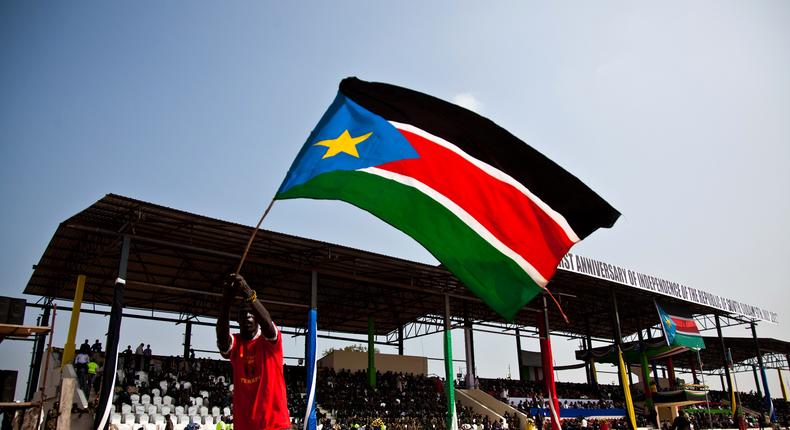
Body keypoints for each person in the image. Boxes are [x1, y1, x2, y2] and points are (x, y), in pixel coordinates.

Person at [215, 273, 290, 430]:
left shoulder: (270, 342)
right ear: (237, 320)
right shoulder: (236, 345)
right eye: (243, 313)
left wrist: (248, 292)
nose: (248, 316)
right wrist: (226, 301)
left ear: (257, 318)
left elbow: (268, 324)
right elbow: (222, 340)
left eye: (251, 313)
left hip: (275, 426)